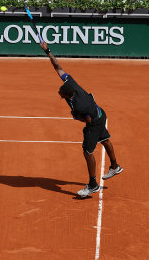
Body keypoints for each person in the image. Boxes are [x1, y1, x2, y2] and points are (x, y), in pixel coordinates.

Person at [39, 40, 123, 198]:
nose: (59, 92)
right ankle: (115, 166)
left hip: (93, 121)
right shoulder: (70, 83)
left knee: (87, 151)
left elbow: (88, 120)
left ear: (67, 95)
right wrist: (47, 50)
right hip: (100, 113)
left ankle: (93, 185)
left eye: (61, 92)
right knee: (104, 140)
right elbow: (58, 67)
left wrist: (76, 117)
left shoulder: (79, 106)